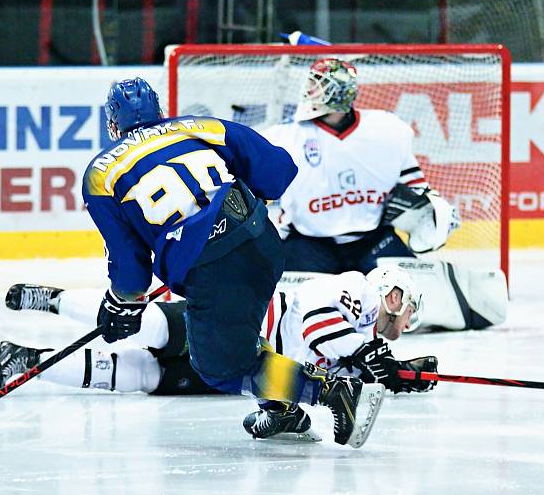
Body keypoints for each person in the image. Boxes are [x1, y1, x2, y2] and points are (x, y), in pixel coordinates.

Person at [68, 76, 386, 448]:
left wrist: (121, 302)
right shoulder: (200, 127)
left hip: (213, 269)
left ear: (112, 125)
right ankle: (280, 410)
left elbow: (129, 264)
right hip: (263, 242)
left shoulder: (100, 174)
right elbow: (277, 170)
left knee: (221, 367)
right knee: (240, 341)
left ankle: (331, 392)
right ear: (161, 112)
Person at [0, 267, 438, 442]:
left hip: (242, 370)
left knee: (142, 377)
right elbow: (315, 330)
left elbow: (325, 363)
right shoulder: (356, 289)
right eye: (405, 314)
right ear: (394, 296)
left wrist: (396, 374)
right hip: (238, 324)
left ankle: (25, 362)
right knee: (147, 325)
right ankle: (51, 299)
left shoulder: (359, 343)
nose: (402, 330)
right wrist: (367, 354)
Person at [262, 58, 507, 331]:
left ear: (340, 93)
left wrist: (434, 213)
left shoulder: (386, 130)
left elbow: (416, 187)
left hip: (373, 240)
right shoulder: (284, 137)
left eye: (319, 86)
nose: (310, 92)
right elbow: (259, 192)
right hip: (309, 244)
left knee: (410, 303)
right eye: (311, 84)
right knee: (288, 312)